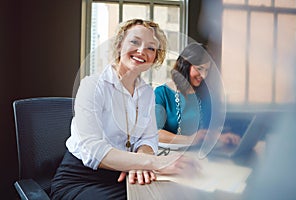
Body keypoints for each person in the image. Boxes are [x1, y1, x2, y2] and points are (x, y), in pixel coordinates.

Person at [50, 19, 201, 200]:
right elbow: (93, 150)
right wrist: (153, 162)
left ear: (155, 58)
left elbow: (147, 139)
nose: (142, 51)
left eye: (151, 48)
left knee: (176, 193)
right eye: (135, 42)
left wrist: (140, 162)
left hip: (123, 175)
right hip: (81, 179)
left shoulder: (146, 93)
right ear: (119, 45)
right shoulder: (92, 86)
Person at [155, 42, 240, 147]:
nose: (203, 75)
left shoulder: (206, 95)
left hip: (198, 153)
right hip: (169, 155)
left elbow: (206, 131)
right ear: (184, 65)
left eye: (206, 70)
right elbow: (156, 133)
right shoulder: (161, 93)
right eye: (199, 69)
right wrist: (189, 139)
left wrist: (219, 137)